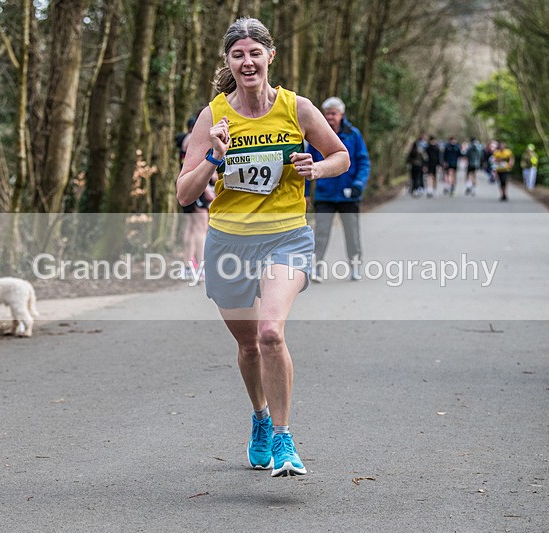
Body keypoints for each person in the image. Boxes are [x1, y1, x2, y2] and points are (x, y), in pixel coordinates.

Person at [176, 17, 349, 477]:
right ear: (229, 62)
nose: (247, 61)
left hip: (287, 235)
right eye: (238, 55)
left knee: (272, 332)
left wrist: (317, 170)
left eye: (255, 53)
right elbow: (184, 193)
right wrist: (214, 156)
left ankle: (284, 438)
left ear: (271, 56)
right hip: (229, 240)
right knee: (249, 345)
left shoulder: (298, 108)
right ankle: (260, 416)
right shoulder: (213, 116)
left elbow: (340, 156)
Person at [305, 97, 370, 282]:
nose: (330, 117)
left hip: (349, 194)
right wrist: (306, 192)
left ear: (341, 114)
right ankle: (316, 267)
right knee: (321, 232)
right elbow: (308, 163)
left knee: (352, 232)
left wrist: (358, 185)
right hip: (325, 194)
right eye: (327, 114)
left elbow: (363, 162)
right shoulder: (319, 134)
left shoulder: (353, 135)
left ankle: (355, 265)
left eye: (333, 113)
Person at [175, 116, 213, 280]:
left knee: (190, 227)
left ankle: (187, 266)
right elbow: (195, 166)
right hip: (196, 187)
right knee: (201, 226)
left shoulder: (185, 139)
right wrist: (205, 190)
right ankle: (201, 266)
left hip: (186, 184)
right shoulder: (194, 140)